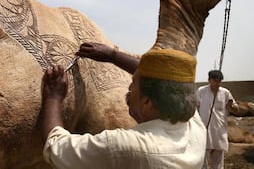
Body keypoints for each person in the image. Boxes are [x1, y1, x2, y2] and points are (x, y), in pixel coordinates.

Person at [40, 42, 207, 168]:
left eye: (133, 82)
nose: (129, 86)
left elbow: (56, 147)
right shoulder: (195, 127)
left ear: (147, 102)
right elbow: (166, 80)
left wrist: (53, 98)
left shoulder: (125, 147)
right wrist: (112, 56)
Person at [196, 70, 239, 169]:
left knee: (218, 164)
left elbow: (236, 109)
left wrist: (231, 106)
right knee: (202, 162)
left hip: (219, 132)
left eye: (219, 81)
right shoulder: (201, 91)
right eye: (215, 81)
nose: (217, 84)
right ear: (209, 80)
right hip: (204, 131)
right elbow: (195, 107)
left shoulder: (225, 93)